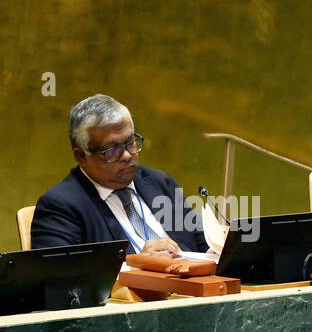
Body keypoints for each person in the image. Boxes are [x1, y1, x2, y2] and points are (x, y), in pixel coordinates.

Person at [30, 94, 202, 253]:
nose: (127, 155)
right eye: (111, 150)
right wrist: (137, 267)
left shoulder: (161, 183)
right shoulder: (61, 206)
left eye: (130, 142)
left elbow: (201, 243)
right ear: (81, 156)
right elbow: (64, 279)